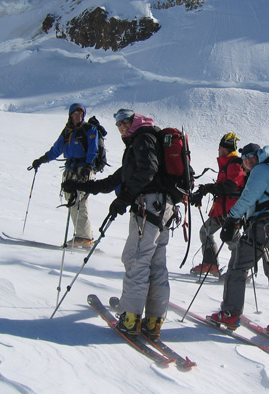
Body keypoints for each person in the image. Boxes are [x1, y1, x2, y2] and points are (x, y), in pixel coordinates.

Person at [63, 108, 175, 339]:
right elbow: (119, 178)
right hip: (164, 208)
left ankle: (131, 318)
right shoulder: (145, 140)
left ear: (135, 120)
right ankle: (153, 321)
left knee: (136, 260)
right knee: (155, 264)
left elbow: (147, 171)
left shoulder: (142, 139)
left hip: (148, 208)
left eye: (125, 121)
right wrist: (85, 187)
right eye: (118, 124)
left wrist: (125, 198)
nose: (122, 127)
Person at [208, 143, 269, 342]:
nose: (247, 160)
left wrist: (231, 219)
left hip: (264, 228)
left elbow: (248, 198)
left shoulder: (261, 170)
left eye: (251, 155)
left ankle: (230, 314)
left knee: (238, 266)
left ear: (259, 155)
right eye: (244, 156)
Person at [31, 103, 98, 247]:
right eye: (75, 112)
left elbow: (93, 149)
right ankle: (83, 236)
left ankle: (84, 237)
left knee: (80, 201)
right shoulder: (67, 131)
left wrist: (88, 166)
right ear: (70, 114)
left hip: (83, 169)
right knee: (72, 201)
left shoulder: (89, 129)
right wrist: (41, 160)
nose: (78, 115)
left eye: (81, 112)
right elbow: (55, 150)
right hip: (71, 170)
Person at [189, 132, 245, 277]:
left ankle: (240, 271)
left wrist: (209, 188)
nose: (218, 151)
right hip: (222, 208)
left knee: (233, 240)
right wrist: (206, 190)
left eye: (220, 148)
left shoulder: (235, 163)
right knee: (205, 231)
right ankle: (210, 265)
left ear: (224, 149)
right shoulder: (228, 163)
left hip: (231, 210)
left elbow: (232, 185)